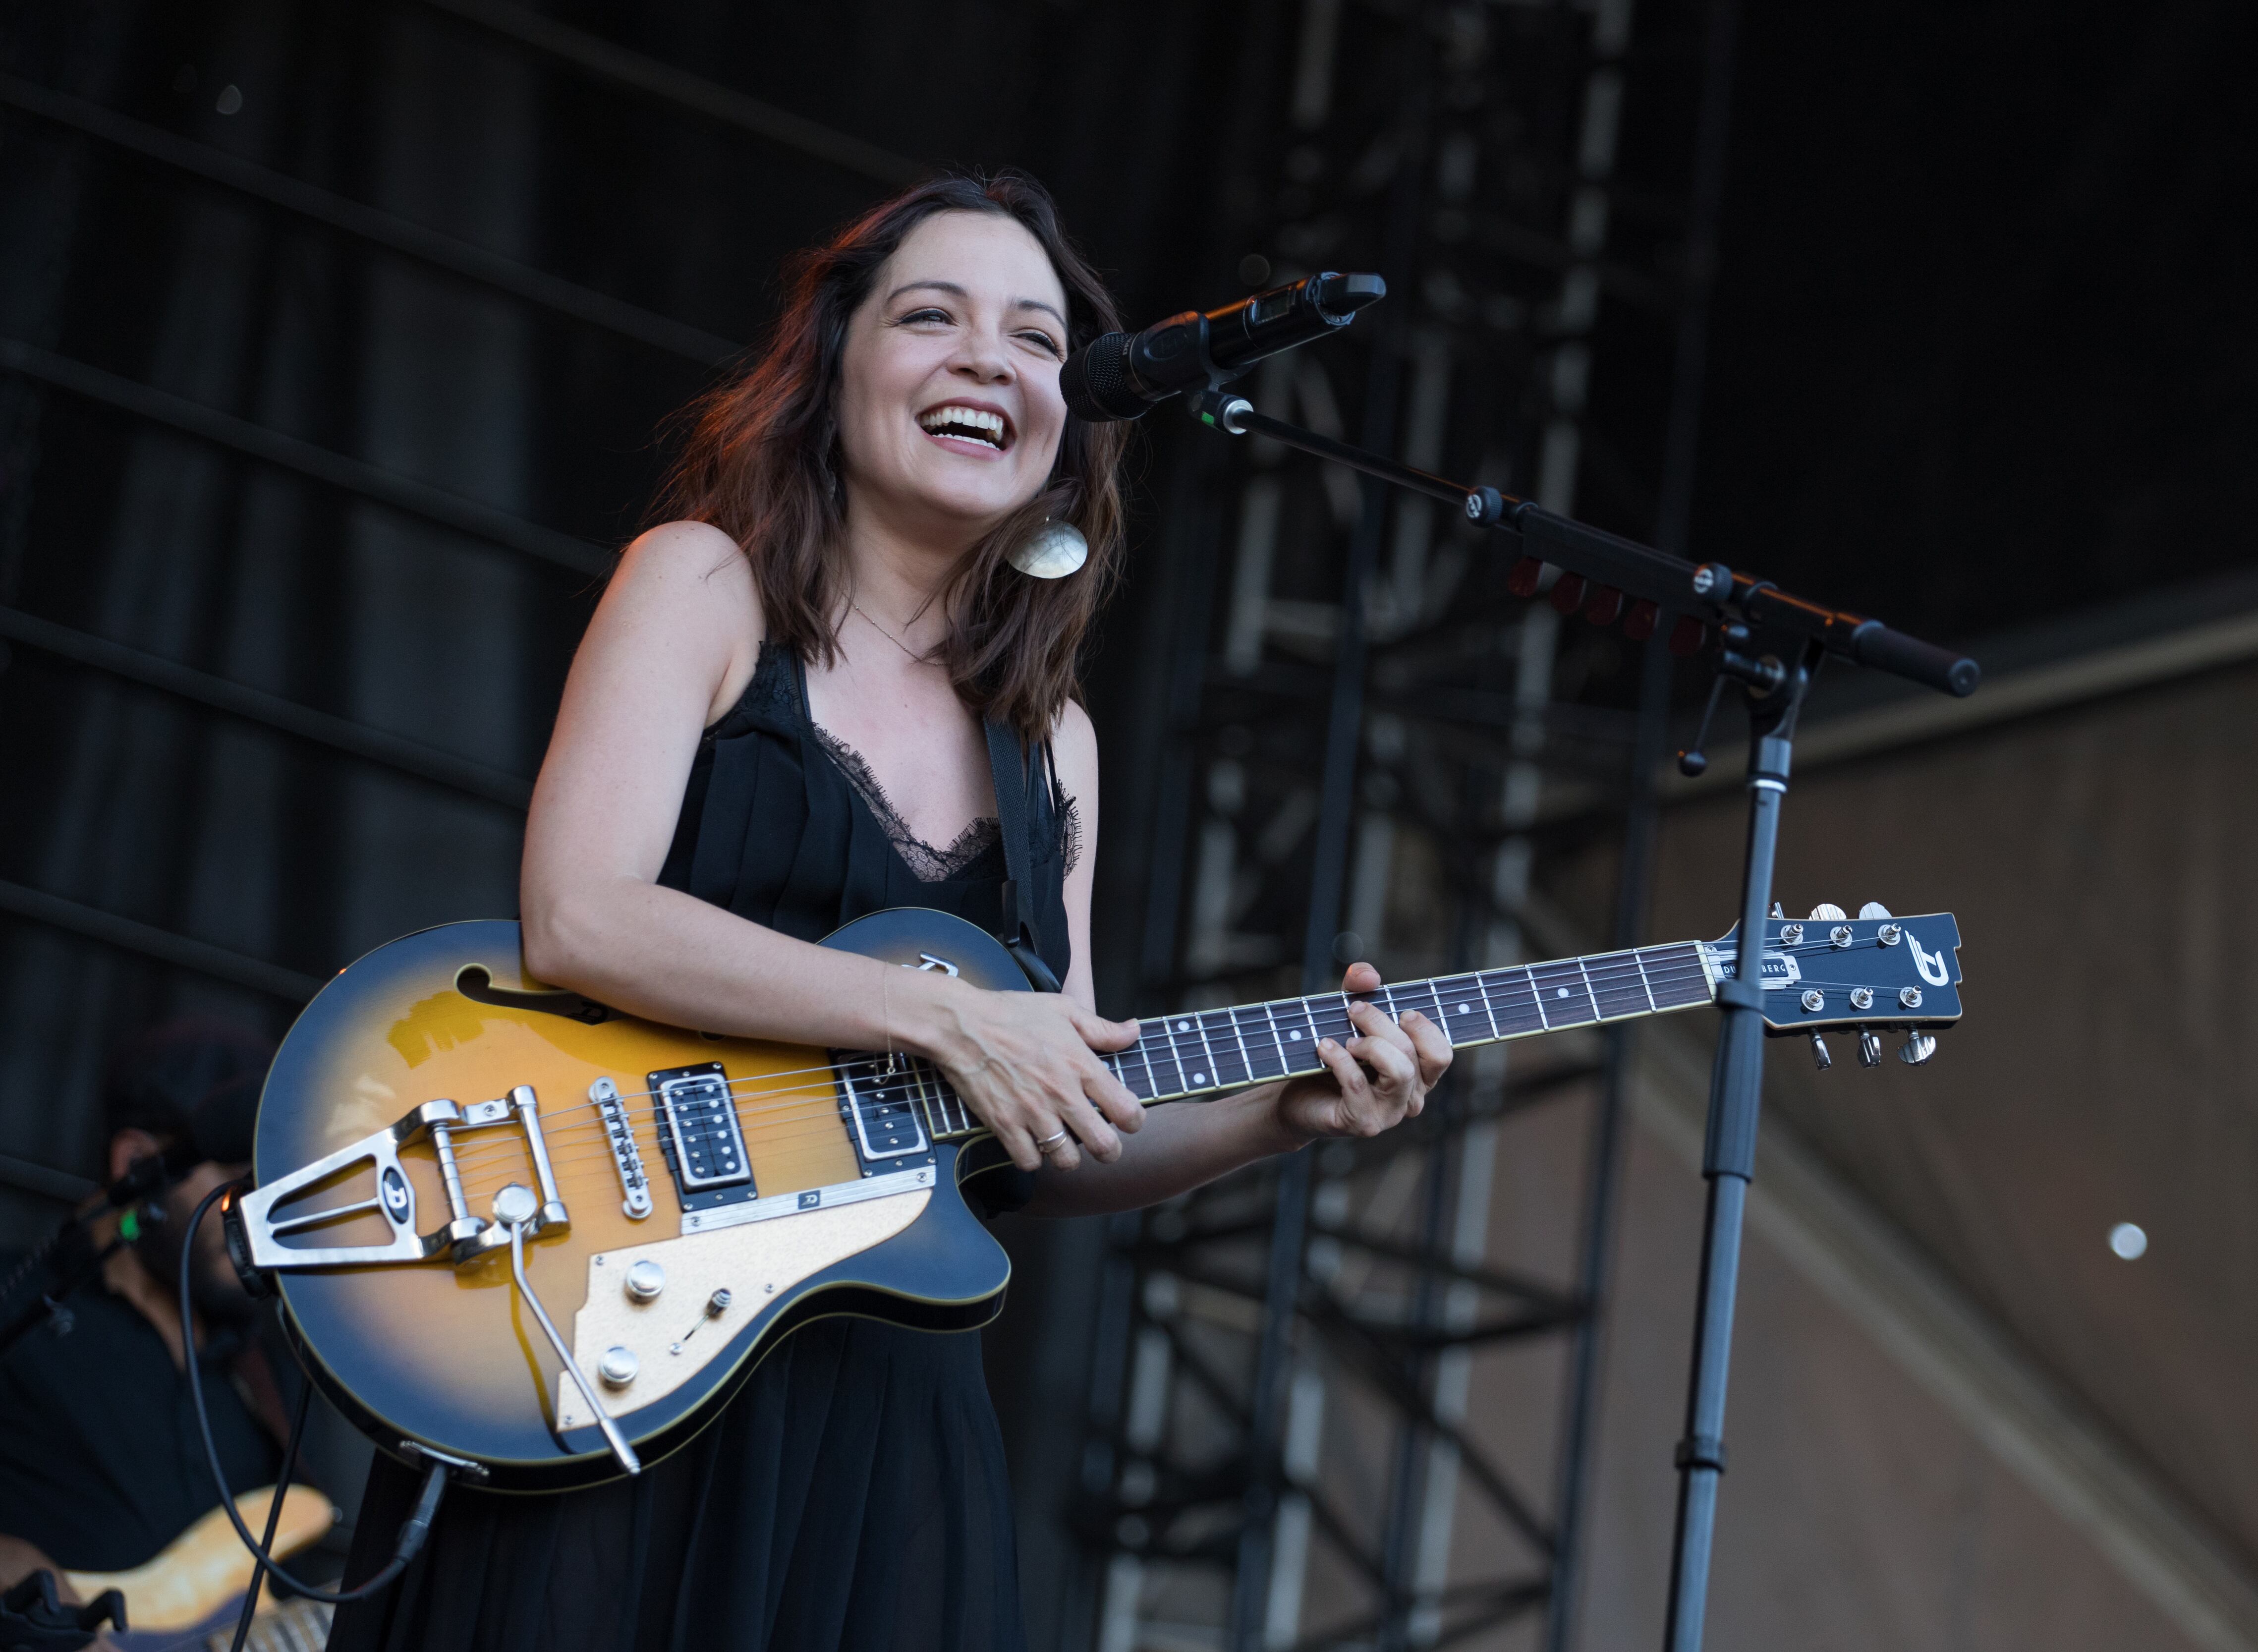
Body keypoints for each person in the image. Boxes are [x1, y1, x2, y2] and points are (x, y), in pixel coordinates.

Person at [328, 169, 1450, 1652]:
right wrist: (934, 1011)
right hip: (617, 1323)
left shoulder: (1054, 743)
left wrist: (1277, 1117)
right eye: (933, 316)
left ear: (1073, 415)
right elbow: (579, 914)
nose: (989, 356)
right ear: (835, 364)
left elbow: (1055, 1122)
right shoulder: (702, 589)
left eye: (1038, 340)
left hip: (881, 1414)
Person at [0, 1022, 287, 1598]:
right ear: (135, 1163)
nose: (259, 1217)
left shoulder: (255, 1383)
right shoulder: (16, 1300)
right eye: (237, 1183)